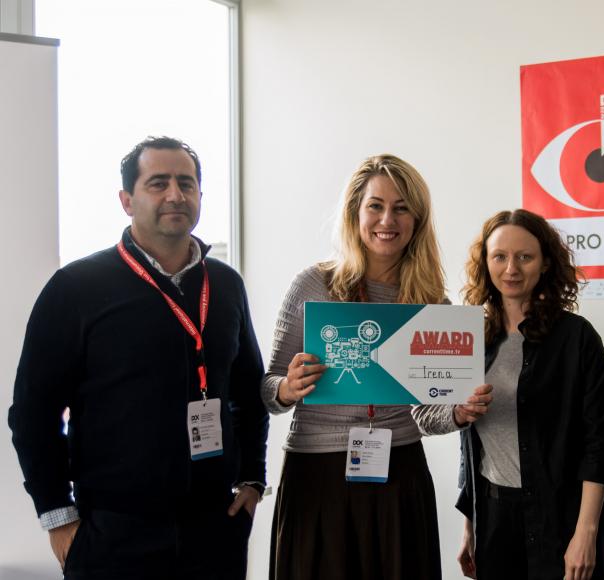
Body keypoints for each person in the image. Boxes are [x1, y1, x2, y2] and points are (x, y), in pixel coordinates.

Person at [9, 136, 268, 580]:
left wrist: (252, 478)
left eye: (186, 183)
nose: (175, 195)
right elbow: (34, 412)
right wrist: (57, 514)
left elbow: (248, 389)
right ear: (127, 200)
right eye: (158, 183)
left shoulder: (225, 285)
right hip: (113, 531)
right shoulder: (76, 287)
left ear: (200, 196)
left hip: (213, 527)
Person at [261, 154, 492, 580]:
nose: (388, 219)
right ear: (355, 212)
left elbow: (425, 414)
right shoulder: (313, 283)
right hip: (317, 473)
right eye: (376, 205)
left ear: (417, 219)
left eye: (402, 207)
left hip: (398, 472)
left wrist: (458, 413)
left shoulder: (431, 303)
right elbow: (268, 390)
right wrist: (287, 389)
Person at [444, 209, 604, 580]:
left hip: (564, 517)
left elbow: (599, 443)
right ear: (485, 263)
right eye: (500, 257)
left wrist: (585, 533)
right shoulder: (471, 338)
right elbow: (470, 444)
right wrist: (469, 526)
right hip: (494, 520)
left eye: (525, 257)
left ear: (545, 264)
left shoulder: (577, 338)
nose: (511, 268)